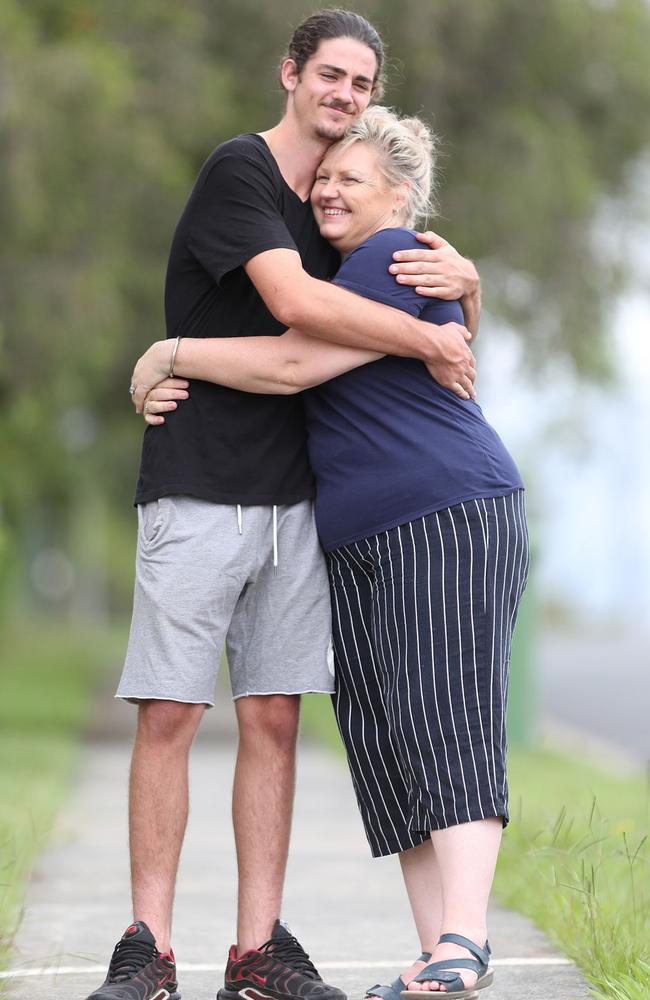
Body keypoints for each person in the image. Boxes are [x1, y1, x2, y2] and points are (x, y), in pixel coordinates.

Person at [92, 10, 481, 1000]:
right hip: (198, 483)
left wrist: (465, 290)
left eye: (360, 83)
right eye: (330, 75)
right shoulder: (241, 173)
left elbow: (401, 275)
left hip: (297, 497)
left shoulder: (332, 202)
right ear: (290, 74)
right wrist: (428, 335)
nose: (343, 94)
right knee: (172, 711)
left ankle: (254, 952)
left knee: (271, 718)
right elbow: (300, 314)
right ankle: (149, 949)